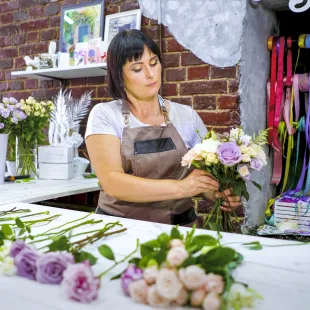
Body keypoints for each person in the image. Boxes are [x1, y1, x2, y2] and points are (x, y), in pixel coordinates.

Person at [85, 29, 241, 227]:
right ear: (119, 76)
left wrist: (217, 193)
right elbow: (113, 182)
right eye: (137, 68)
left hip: (180, 229)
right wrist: (182, 188)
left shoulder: (186, 116)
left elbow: (204, 175)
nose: (151, 74)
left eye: (154, 63)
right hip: (120, 228)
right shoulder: (105, 115)